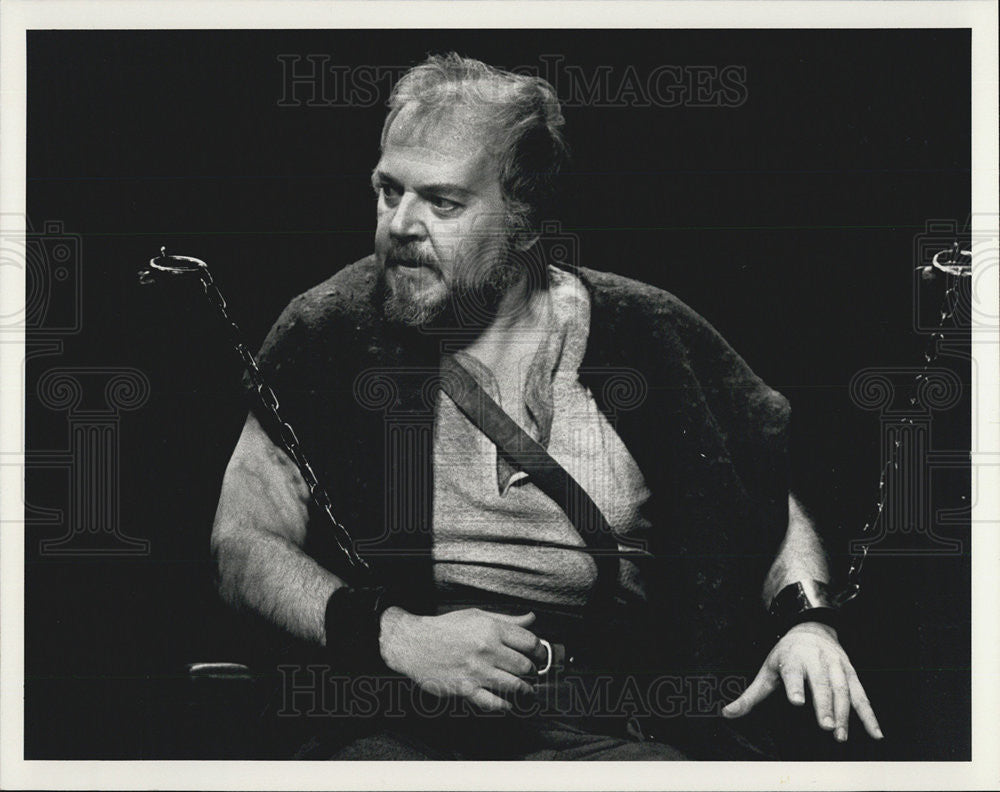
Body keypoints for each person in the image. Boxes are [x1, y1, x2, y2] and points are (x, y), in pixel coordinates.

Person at [210, 52, 883, 760]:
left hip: (609, 733)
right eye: (388, 191)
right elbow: (242, 543)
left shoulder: (647, 335)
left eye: (443, 202)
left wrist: (806, 620)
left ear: (525, 223)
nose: (400, 224)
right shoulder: (329, 332)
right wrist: (392, 633)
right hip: (396, 725)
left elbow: (765, 499)